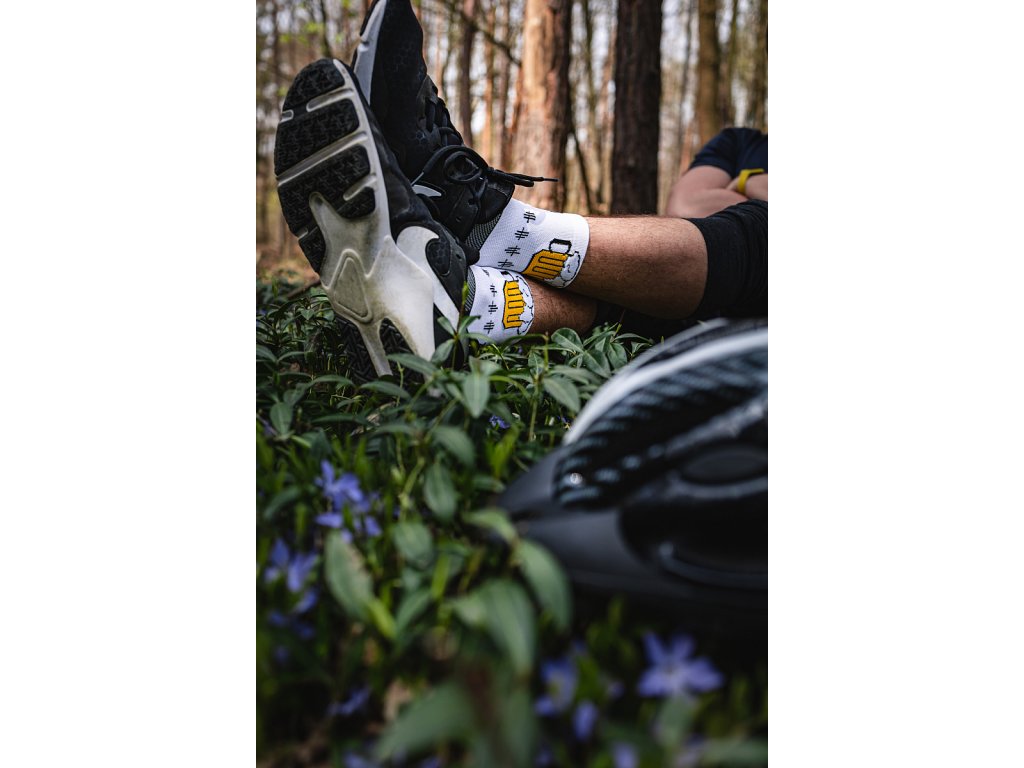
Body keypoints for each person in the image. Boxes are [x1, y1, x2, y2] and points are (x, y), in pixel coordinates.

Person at [273, 0, 767, 381]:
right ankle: (463, 297)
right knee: (667, 279)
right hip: (705, 287)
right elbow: (692, 207)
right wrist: (752, 190)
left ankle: (478, 245)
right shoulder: (739, 143)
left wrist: (740, 189)